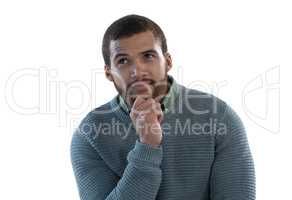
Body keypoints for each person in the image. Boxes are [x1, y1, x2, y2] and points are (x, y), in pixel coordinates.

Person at [70, 14, 256, 200]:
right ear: (108, 73)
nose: (138, 71)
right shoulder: (89, 134)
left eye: (148, 56)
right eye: (123, 61)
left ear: (168, 62)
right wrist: (147, 146)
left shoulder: (218, 117)